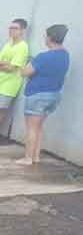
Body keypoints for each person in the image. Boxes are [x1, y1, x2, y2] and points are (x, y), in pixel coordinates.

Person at [17, 25, 71, 165]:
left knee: (31, 128)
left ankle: (28, 158)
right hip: (53, 95)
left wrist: (29, 62)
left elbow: (25, 72)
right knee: (39, 127)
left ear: (50, 38)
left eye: (46, 36)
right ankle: (36, 156)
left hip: (37, 95)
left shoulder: (43, 56)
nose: (45, 38)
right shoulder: (65, 55)